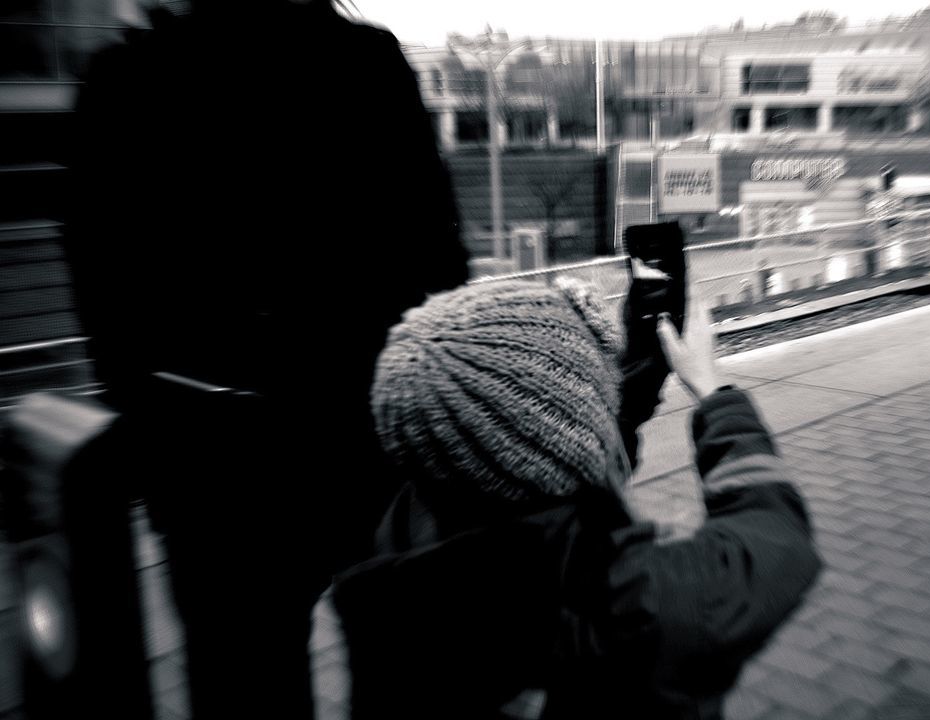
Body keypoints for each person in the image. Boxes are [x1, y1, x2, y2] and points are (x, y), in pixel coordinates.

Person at [63, 1, 470, 717]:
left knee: (243, 682)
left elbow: (101, 289)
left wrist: (150, 409)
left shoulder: (125, 79)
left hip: (209, 461)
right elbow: (439, 264)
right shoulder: (362, 64)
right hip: (365, 436)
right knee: (409, 665)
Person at [332, 278, 823, 719]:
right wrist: (715, 393)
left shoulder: (382, 577)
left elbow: (537, 444)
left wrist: (640, 374)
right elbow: (776, 536)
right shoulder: (641, 601)